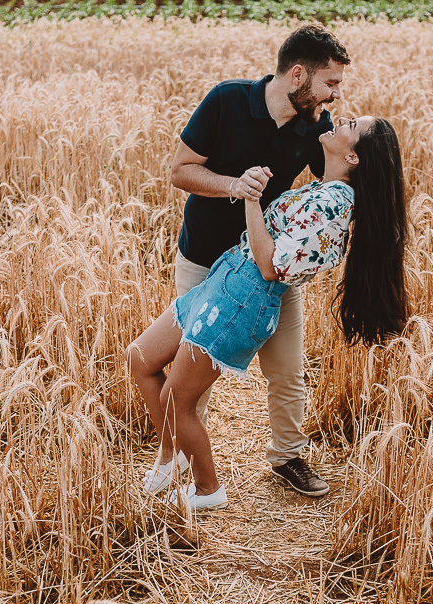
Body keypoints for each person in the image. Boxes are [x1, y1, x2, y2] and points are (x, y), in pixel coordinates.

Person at [126, 116, 408, 511]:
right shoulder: (324, 189)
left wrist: (251, 198)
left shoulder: (333, 205)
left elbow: (270, 266)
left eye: (351, 125)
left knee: (176, 396)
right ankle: (173, 457)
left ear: (353, 156)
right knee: (140, 357)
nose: (341, 119)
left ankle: (208, 489)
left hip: (244, 298)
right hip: (226, 278)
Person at [166, 23, 350, 498]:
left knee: (287, 369)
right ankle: (189, 465)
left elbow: (334, 182)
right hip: (204, 260)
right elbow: (180, 170)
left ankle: (287, 456)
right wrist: (234, 186)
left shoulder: (317, 125)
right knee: (191, 377)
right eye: (330, 83)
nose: (335, 95)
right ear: (297, 75)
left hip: (268, 270)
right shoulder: (226, 100)